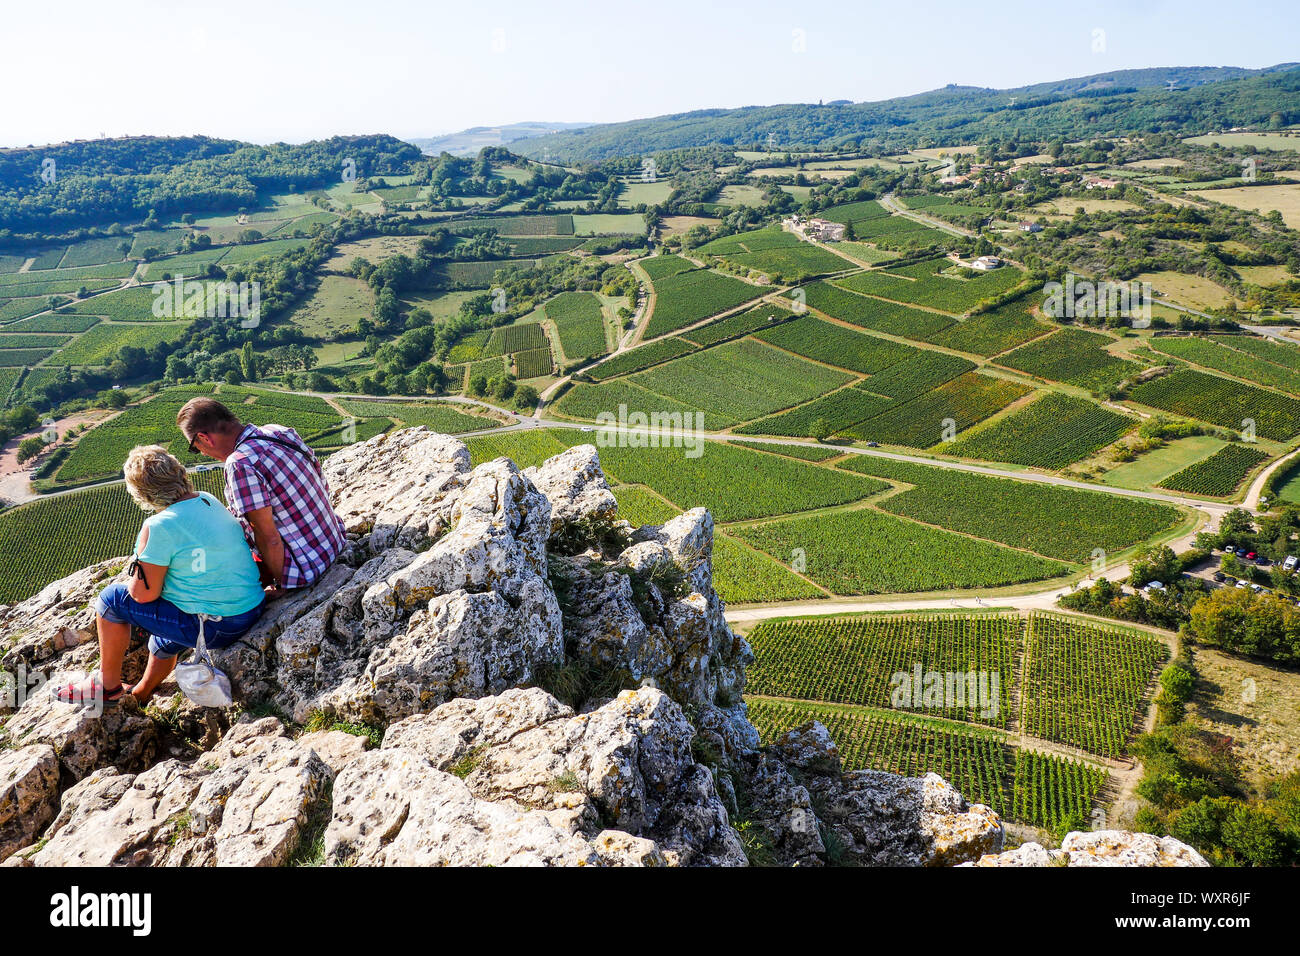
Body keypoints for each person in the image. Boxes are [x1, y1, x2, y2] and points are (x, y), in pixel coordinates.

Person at [53, 446, 266, 708]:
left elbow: (142, 595)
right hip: (252, 607)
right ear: (179, 472)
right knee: (164, 637)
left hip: (218, 627)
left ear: (141, 494)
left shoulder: (159, 526)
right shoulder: (207, 499)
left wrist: (140, 557)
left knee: (111, 600)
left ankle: (107, 687)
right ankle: (141, 692)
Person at [176, 397, 346, 595]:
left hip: (308, 566)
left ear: (205, 438)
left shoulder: (240, 464)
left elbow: (268, 537)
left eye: (194, 447)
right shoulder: (278, 431)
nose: (202, 454)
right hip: (334, 541)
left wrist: (283, 586)